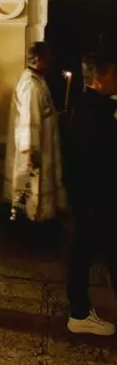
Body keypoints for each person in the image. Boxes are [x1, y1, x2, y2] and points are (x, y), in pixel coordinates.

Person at [65, 52, 117, 336]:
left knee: (94, 251)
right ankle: (79, 312)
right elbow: (98, 159)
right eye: (115, 74)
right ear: (100, 77)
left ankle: (79, 310)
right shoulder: (91, 112)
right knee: (84, 252)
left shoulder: (92, 107)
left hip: (94, 197)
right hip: (96, 198)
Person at [3, 41, 66, 223]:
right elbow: (29, 120)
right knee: (31, 186)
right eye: (47, 58)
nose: (50, 62)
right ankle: (30, 219)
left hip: (42, 143)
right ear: (38, 59)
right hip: (36, 148)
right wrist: (31, 150)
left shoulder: (36, 80)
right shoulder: (31, 85)